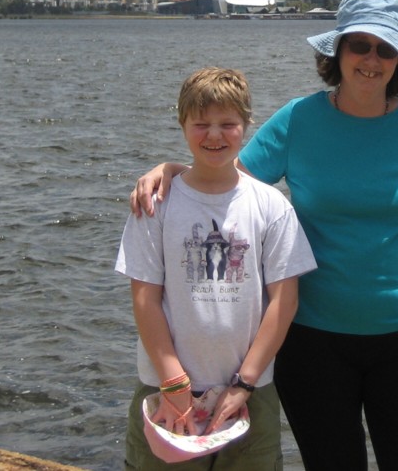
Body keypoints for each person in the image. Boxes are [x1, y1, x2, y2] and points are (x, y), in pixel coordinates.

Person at [132, 0, 398, 470]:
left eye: (386, 49)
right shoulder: (299, 118)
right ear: (338, 52)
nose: (371, 60)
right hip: (313, 340)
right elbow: (224, 179)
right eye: (360, 45)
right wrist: (172, 170)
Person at [117, 66, 316, 469]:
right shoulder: (156, 205)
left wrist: (245, 382)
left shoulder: (271, 205)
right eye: (200, 124)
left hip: (250, 391)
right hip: (165, 388)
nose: (214, 135)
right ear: (182, 124)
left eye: (227, 124)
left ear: (246, 124)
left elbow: (284, 301)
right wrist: (173, 381)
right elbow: (145, 299)